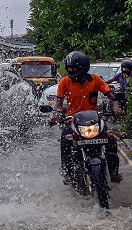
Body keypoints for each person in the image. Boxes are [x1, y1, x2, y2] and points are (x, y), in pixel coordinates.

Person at [51, 51, 122, 184]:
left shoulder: (96, 80)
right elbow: (59, 103)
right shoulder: (64, 82)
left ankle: (113, 172)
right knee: (65, 140)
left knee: (111, 139)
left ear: (83, 67)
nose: (71, 70)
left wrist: (116, 107)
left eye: (74, 67)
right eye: (69, 68)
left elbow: (111, 95)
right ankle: (68, 172)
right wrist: (56, 114)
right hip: (73, 121)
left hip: (94, 119)